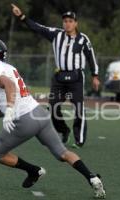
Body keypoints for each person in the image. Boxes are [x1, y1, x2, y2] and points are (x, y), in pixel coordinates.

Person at [0, 37, 106, 199]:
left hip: (24, 119)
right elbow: (4, 98)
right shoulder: (7, 67)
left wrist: (10, 110)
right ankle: (92, 178)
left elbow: (10, 86)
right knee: (62, 153)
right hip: (39, 113)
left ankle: (33, 171)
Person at [11, 4, 101, 148]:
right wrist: (22, 16)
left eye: (70, 21)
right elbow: (37, 27)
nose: (67, 23)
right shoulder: (56, 34)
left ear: (76, 23)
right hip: (59, 77)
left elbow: (91, 58)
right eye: (65, 21)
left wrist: (95, 75)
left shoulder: (83, 39)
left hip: (76, 77)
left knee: (78, 108)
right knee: (52, 107)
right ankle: (63, 130)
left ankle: (79, 139)